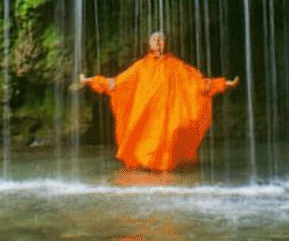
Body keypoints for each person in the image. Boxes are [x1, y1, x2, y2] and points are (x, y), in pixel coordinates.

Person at [79, 30, 239, 171]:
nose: (158, 42)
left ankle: (165, 175)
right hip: (147, 117)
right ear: (149, 44)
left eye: (161, 40)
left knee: (170, 139)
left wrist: (224, 83)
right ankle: (150, 171)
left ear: (165, 43)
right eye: (154, 40)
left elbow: (199, 83)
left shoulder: (176, 66)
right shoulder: (141, 66)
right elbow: (118, 83)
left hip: (167, 117)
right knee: (147, 146)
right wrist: (93, 80)